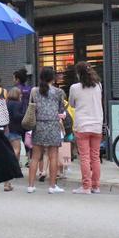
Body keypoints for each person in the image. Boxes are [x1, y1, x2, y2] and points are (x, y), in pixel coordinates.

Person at [27, 66, 66, 194]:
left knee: (35, 157)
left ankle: (31, 186)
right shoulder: (59, 92)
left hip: (38, 125)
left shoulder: (34, 91)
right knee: (53, 156)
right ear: (53, 78)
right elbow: (61, 110)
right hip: (53, 125)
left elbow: (32, 107)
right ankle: (52, 186)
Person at [69, 61, 103, 195]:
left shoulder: (75, 88)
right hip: (97, 125)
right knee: (95, 156)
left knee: (84, 157)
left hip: (82, 125)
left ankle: (86, 186)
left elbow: (72, 104)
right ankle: (96, 186)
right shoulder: (98, 85)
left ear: (78, 73)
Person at [5, 87, 25, 192]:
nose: (21, 95)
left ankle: (7, 180)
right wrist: (24, 115)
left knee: (9, 152)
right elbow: (17, 116)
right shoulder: (17, 104)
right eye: (20, 94)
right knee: (16, 151)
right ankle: (9, 177)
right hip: (15, 130)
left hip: (6, 130)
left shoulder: (6, 103)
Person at [14, 68, 33, 166]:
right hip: (28, 116)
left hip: (18, 116)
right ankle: (29, 160)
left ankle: (17, 162)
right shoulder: (29, 89)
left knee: (17, 139)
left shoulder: (15, 89)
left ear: (17, 79)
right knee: (28, 138)